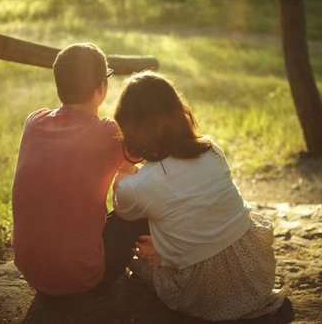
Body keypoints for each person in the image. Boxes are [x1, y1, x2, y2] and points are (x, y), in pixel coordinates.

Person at [112, 71, 286, 321]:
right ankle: (164, 250)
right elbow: (201, 210)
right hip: (254, 272)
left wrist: (124, 166)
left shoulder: (142, 185)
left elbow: (122, 207)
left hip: (203, 292)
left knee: (136, 258)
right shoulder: (211, 149)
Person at [12, 43, 148, 296]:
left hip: (31, 271)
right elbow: (147, 159)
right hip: (83, 277)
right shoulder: (109, 133)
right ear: (102, 88)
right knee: (142, 209)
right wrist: (126, 167)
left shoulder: (34, 121)